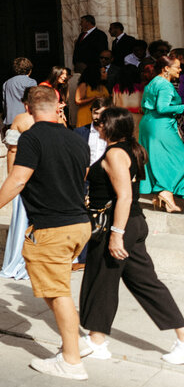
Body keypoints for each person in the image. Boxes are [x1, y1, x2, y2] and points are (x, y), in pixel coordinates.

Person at [0, 85, 92, 380]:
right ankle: (73, 345)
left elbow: (18, 179)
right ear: (58, 106)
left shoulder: (31, 138)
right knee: (58, 289)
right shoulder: (76, 139)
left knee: (58, 293)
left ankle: (72, 360)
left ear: (27, 109)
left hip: (54, 226)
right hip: (79, 223)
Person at [76, 107, 184, 365]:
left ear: (111, 126)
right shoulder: (132, 149)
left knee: (100, 281)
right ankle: (181, 338)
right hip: (133, 223)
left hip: (118, 224)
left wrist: (116, 234)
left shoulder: (115, 153)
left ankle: (97, 342)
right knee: (146, 284)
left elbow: (124, 196)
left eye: (101, 122)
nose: (97, 125)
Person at [139, 54, 184, 213]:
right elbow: (162, 108)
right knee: (180, 157)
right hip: (160, 125)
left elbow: (145, 106)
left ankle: (166, 196)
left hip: (149, 123)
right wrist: (182, 108)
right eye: (177, 66)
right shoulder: (165, 85)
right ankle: (165, 191)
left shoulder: (153, 82)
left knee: (161, 159)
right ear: (166, 68)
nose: (180, 69)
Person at [0, 103, 35, 281]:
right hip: (44, 177)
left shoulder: (20, 119)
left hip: (23, 172)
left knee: (22, 218)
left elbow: (12, 149)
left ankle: (17, 260)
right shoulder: (57, 120)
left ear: (27, 105)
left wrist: (10, 175)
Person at [2, 57, 38, 129]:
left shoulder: (6, 83)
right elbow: (33, 100)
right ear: (29, 70)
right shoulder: (31, 82)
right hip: (26, 119)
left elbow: (4, 103)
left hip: (11, 119)